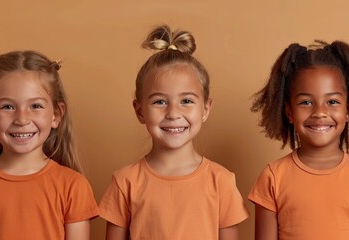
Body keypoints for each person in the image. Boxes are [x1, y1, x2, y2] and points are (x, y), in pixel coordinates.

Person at [99, 25, 249, 240]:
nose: (173, 113)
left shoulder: (222, 181)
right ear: (140, 111)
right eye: (160, 101)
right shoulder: (125, 182)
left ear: (205, 109)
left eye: (186, 101)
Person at [248, 40, 349, 240]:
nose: (320, 112)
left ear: (348, 110)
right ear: (289, 112)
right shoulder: (273, 177)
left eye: (332, 102)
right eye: (306, 102)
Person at [0, 51, 100, 240]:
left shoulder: (73, 186)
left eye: (35, 106)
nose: (21, 119)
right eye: (8, 107)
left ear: (56, 115)